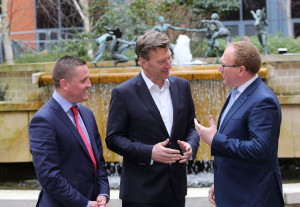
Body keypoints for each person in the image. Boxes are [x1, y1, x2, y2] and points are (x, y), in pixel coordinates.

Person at [105, 30, 199, 207]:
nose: (169, 65)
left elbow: (193, 126)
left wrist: (190, 146)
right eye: (161, 62)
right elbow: (113, 139)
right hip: (140, 194)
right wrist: (149, 152)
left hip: (176, 191)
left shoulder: (182, 86)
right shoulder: (123, 93)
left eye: (169, 58)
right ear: (143, 62)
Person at [194, 41, 284, 206]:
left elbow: (259, 150)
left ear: (241, 70)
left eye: (223, 65)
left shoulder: (264, 100)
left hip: (253, 198)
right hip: (235, 192)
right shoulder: (237, 92)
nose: (219, 69)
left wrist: (215, 140)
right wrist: (221, 182)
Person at [29, 56, 110, 207]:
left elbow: (98, 161)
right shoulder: (43, 121)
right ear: (64, 84)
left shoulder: (87, 114)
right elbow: (49, 177)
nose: (89, 85)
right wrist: (84, 203)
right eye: (83, 80)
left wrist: (103, 193)